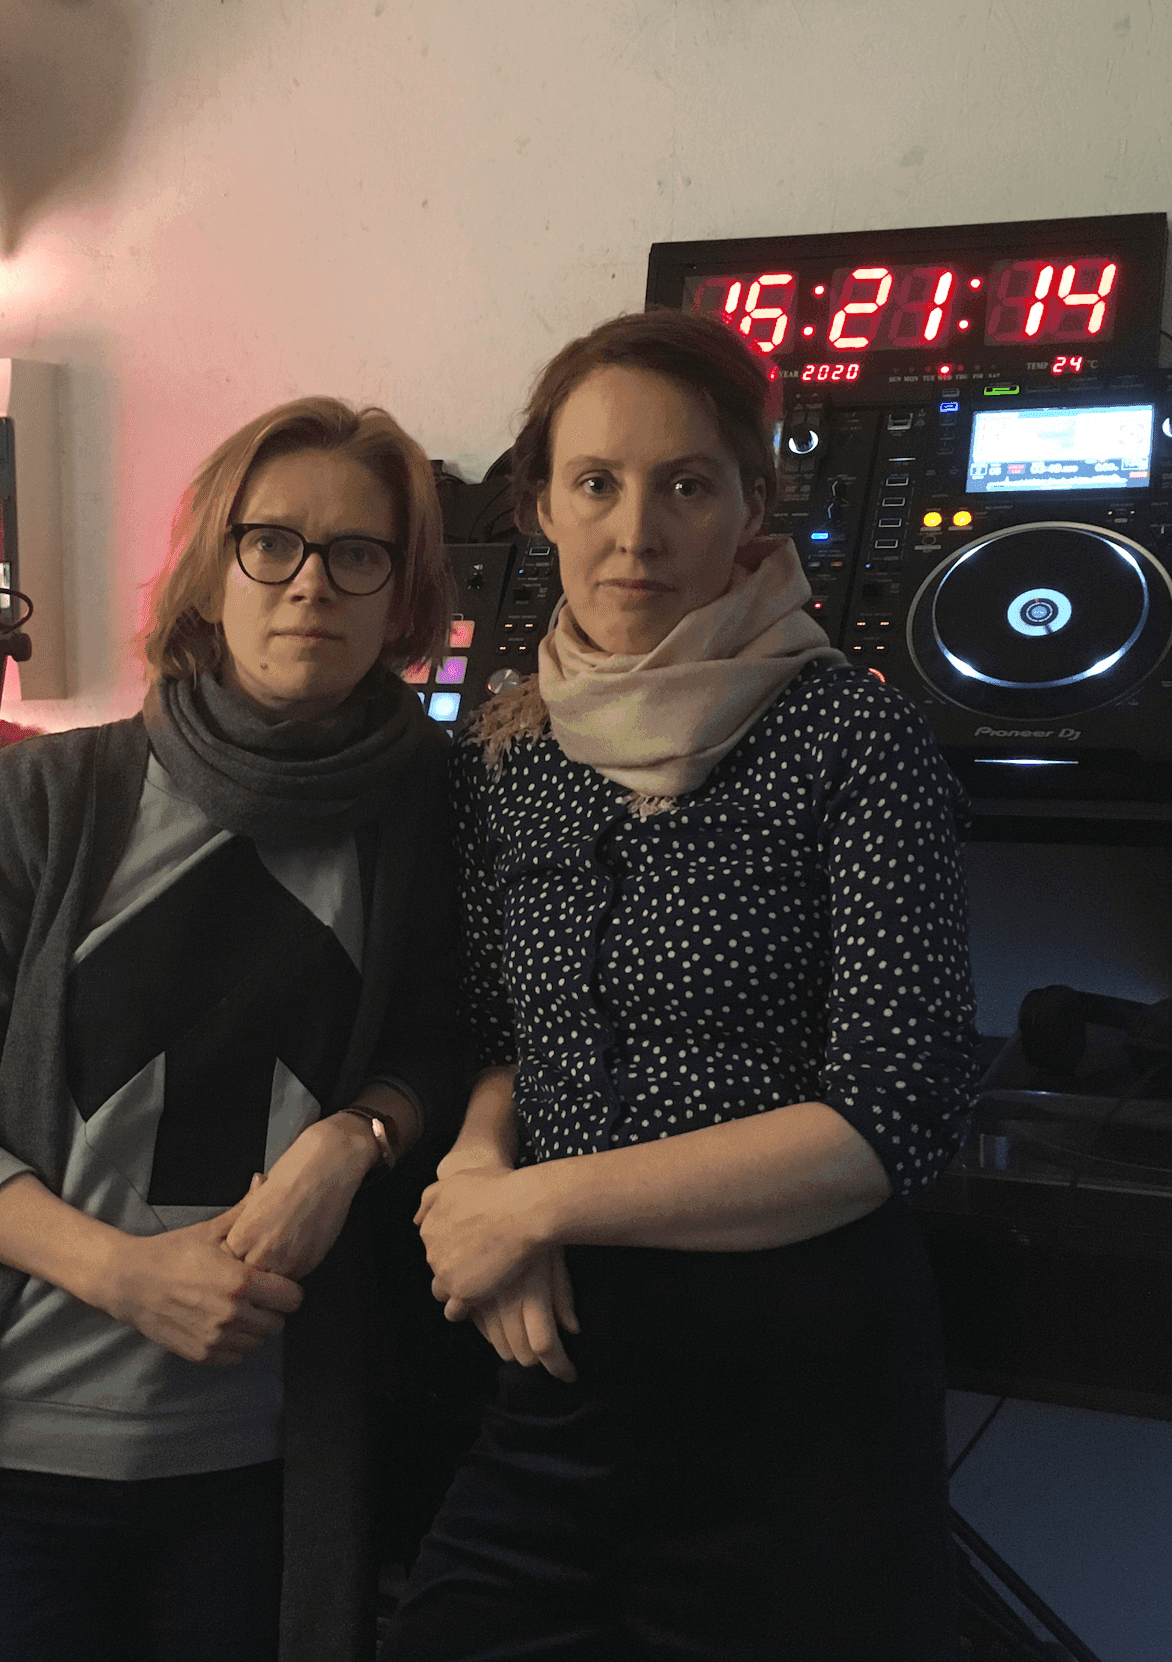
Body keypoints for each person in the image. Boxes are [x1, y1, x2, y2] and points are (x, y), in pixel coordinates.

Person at [383, 312, 980, 1662]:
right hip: (559, 1375)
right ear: (541, 506)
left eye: (687, 485)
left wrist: (538, 1203)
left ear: (751, 509)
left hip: (799, 1404)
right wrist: (479, 1176)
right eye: (596, 483)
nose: (635, 533)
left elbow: (892, 1112)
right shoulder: (516, 756)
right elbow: (503, 1033)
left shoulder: (854, 738)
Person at [0, 395, 468, 1662]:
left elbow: (442, 1044)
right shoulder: (47, 800)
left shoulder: (433, 815)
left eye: (358, 553)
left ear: (402, 595)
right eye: (272, 542)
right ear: (209, 568)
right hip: (14, 1452)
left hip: (263, 1473)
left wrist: (355, 1137)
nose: (311, 583)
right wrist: (119, 1272)